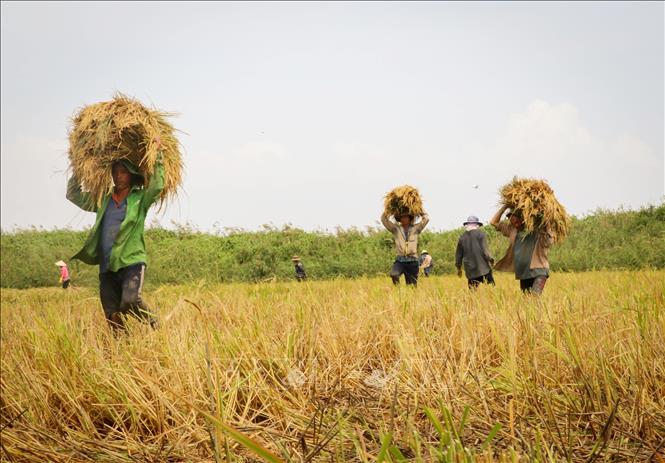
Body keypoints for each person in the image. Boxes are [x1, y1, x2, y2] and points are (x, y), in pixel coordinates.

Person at [66, 138, 163, 332]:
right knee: (112, 314)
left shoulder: (139, 199)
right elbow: (73, 195)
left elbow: (157, 186)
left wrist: (158, 155)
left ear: (131, 175)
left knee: (130, 301)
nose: (118, 177)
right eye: (115, 172)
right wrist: (78, 166)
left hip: (131, 261)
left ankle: (155, 323)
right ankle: (123, 352)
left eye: (123, 172)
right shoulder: (103, 200)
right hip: (107, 265)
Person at [490, 205, 554, 295]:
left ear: (523, 217)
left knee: (535, 297)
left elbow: (548, 236)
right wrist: (504, 207)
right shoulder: (512, 230)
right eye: (510, 217)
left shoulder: (536, 228)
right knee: (527, 302)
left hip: (539, 270)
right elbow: (493, 222)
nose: (512, 220)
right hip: (523, 273)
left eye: (515, 217)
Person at [381, 210, 430, 286]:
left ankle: (408, 297)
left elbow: (426, 219)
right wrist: (389, 210)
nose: (403, 219)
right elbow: (384, 219)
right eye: (401, 217)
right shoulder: (396, 229)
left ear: (409, 218)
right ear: (399, 218)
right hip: (400, 261)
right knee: (394, 274)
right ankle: (398, 290)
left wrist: (420, 210)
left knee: (411, 287)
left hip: (412, 261)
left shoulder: (416, 228)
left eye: (405, 216)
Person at [455, 216, 495, 289]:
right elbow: (485, 250)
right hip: (483, 269)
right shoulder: (481, 234)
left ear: (467, 225)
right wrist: (491, 260)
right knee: (491, 290)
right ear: (477, 225)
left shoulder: (462, 237)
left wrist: (459, 269)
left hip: (470, 271)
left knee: (473, 293)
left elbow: (458, 256)